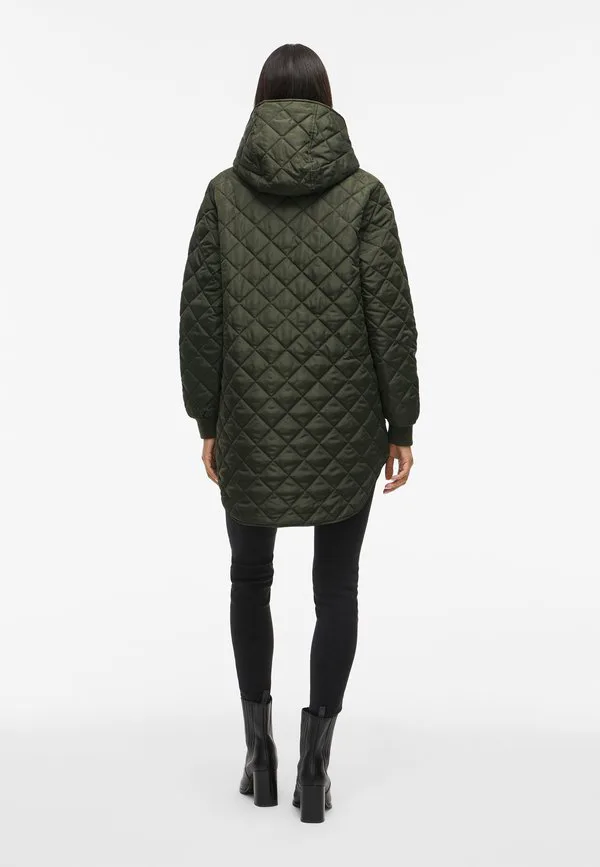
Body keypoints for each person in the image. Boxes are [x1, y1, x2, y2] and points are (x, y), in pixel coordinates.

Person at [178, 43, 420, 823]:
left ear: (261, 103)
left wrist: (208, 416)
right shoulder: (364, 195)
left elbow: (200, 319)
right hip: (348, 425)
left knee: (250, 579)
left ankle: (261, 754)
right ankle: (315, 771)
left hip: (249, 421)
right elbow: (391, 319)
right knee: (336, 586)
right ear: (325, 100)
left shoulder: (223, 195)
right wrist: (401, 420)